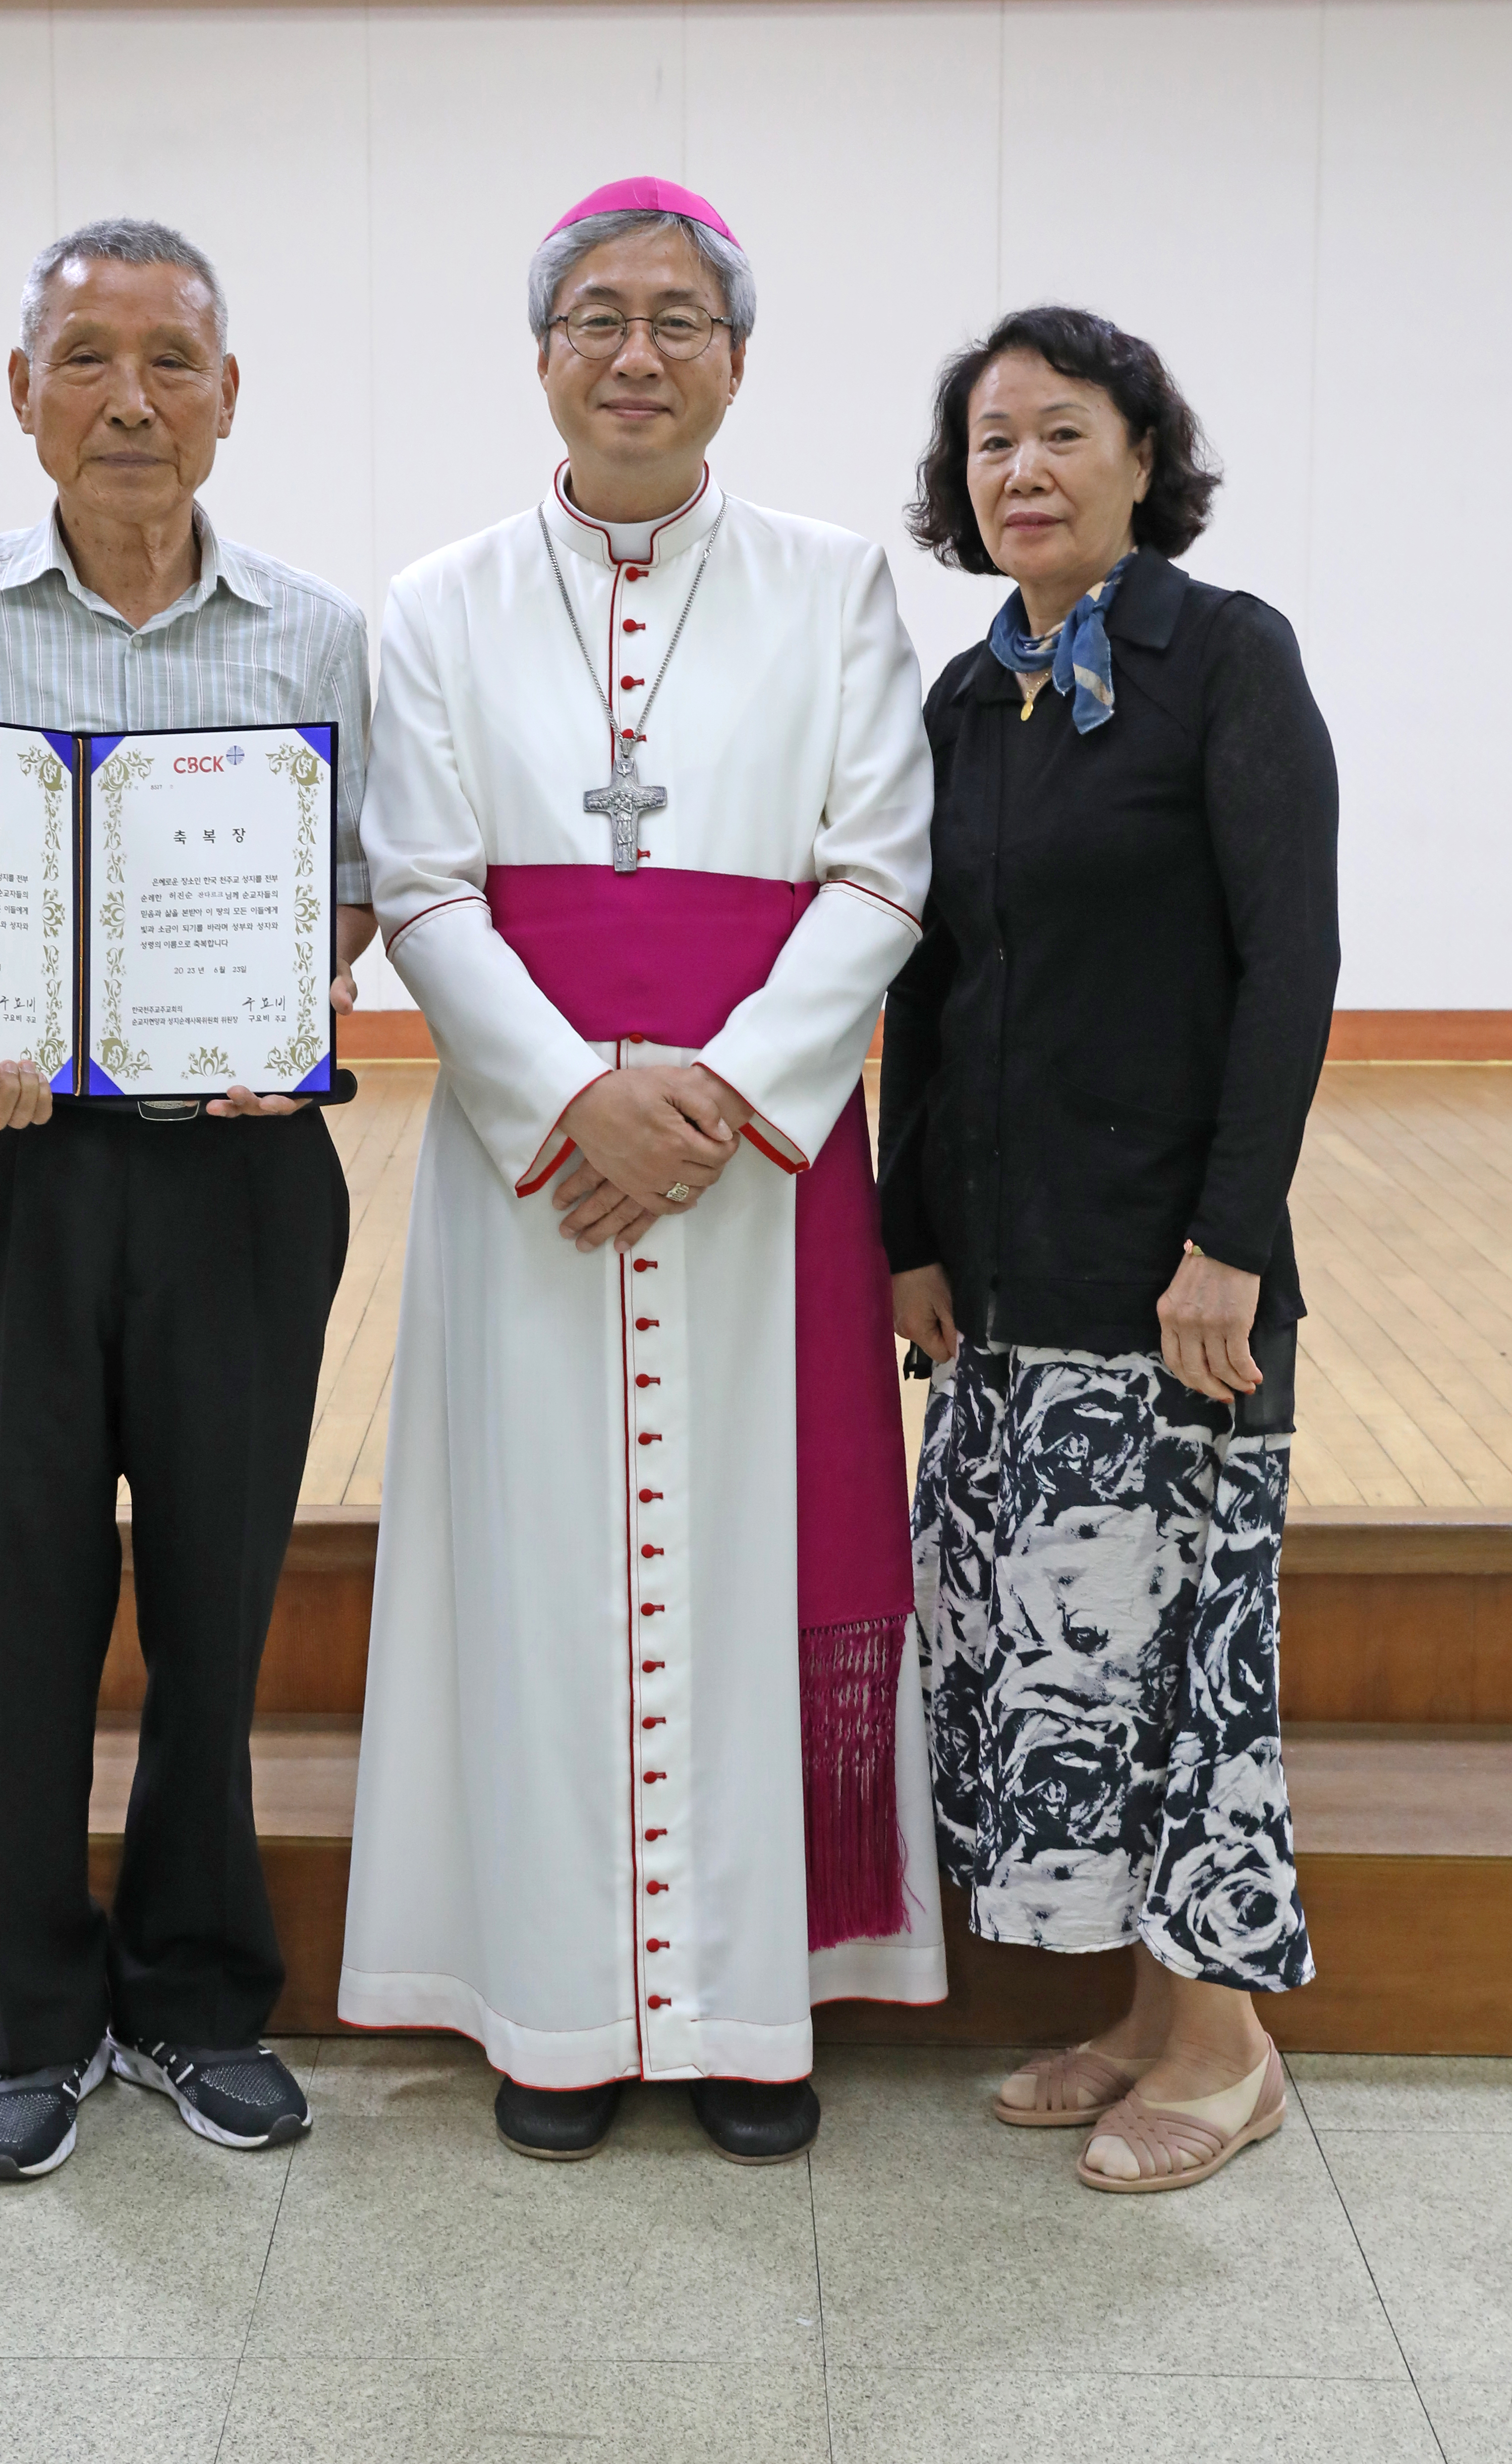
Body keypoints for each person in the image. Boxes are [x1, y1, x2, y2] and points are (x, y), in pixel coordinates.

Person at [340, 175, 946, 2165]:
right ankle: (560, 2009)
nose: (636, 354)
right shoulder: (434, 604)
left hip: (758, 1174)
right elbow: (420, 878)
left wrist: (719, 1098)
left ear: (737, 363)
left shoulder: (835, 583)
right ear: (542, 356)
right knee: (540, 1574)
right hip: (536, 1179)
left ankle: (753, 2010)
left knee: (754, 1564)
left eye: (679, 320)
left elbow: (878, 868)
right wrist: (567, 1094)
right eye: (597, 316)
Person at [0, 217, 377, 2181]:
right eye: (85, 358)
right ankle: (31, 2013)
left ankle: (193, 1993)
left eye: (171, 362)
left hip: (245, 1173)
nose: (129, 401)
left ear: (228, 400)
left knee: (216, 1592)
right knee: (24, 1587)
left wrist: (299, 988)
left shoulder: (316, 630)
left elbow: (355, 881)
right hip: (12, 1175)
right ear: (23, 397)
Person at [880, 304, 1340, 2193]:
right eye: (992, 445)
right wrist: (910, 1240)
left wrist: (1229, 1239)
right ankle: (1147, 2016)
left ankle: (1225, 2047)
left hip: (1173, 1285)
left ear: (1145, 458)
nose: (1024, 473)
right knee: (1072, 1662)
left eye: (1063, 434)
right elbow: (924, 985)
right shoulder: (964, 698)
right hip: (1006, 1277)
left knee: (1188, 1662)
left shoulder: (1227, 660)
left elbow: (1289, 965)